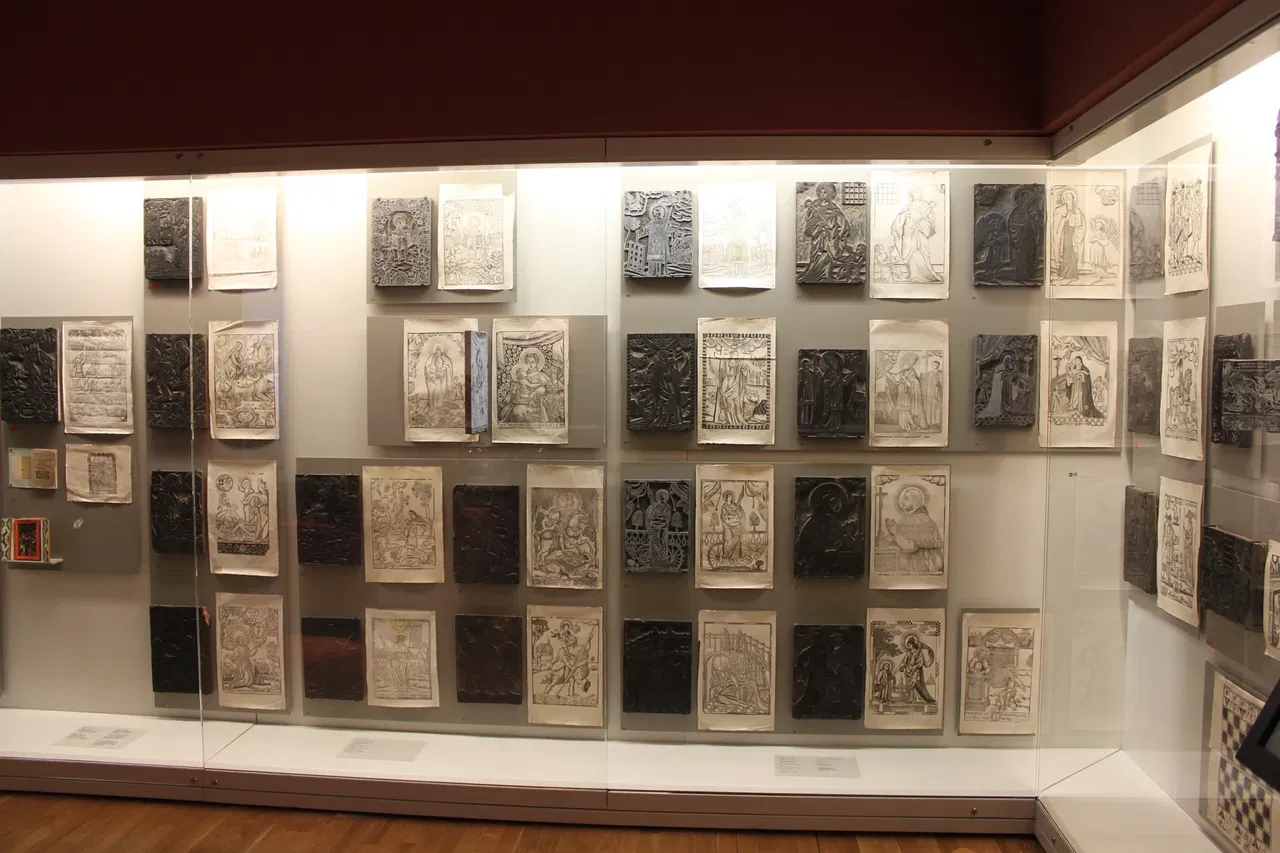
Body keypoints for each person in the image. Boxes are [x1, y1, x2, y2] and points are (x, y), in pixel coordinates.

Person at [884, 485, 944, 575]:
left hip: (922, 564)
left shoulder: (923, 520)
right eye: (902, 499)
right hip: (909, 563)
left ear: (915, 501)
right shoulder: (904, 519)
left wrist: (896, 534)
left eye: (906, 499)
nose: (902, 502)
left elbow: (910, 547)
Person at [801, 182, 853, 282]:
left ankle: (827, 274)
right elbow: (809, 221)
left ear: (832, 194)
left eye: (825, 192)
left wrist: (840, 232)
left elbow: (843, 223)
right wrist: (816, 224)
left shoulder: (833, 208)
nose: (823, 194)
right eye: (820, 192)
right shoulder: (814, 206)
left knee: (828, 255)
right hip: (818, 236)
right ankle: (813, 275)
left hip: (831, 237)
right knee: (817, 254)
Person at [890, 187, 941, 282]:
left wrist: (922, 224)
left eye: (919, 192)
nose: (918, 194)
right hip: (909, 231)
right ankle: (913, 275)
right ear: (911, 195)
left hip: (921, 231)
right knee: (911, 252)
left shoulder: (925, 205)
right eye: (916, 192)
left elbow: (931, 219)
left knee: (922, 251)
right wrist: (901, 222)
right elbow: (900, 219)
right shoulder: (907, 206)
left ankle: (926, 274)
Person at [507, 349, 551, 424]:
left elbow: (545, 384)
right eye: (528, 362)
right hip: (523, 397)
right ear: (525, 363)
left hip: (534, 398)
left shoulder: (539, 374)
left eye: (533, 362)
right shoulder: (522, 374)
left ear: (537, 363)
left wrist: (535, 391)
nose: (530, 364)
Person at [1051, 188, 1085, 280]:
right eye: (1069, 198)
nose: (1071, 200)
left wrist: (1077, 224)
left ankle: (1072, 274)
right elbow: (1057, 225)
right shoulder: (1059, 210)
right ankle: (1062, 274)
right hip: (1064, 235)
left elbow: (1082, 225)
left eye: (1072, 198)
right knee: (1065, 253)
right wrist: (1065, 219)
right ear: (1065, 200)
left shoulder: (1077, 210)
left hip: (1073, 235)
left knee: (1072, 253)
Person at [1058, 355, 1104, 420]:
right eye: (1076, 360)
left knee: (1079, 396)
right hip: (1075, 385)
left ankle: (1079, 407)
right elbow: (1071, 374)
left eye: (1078, 361)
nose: (1077, 362)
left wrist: (1081, 376)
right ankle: (1074, 406)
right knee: (1074, 396)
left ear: (1080, 361)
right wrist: (1072, 376)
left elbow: (1086, 377)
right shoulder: (1074, 367)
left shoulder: (1085, 369)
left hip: (1081, 386)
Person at [886, 352, 923, 432]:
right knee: (901, 410)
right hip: (901, 393)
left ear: (910, 366)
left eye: (906, 364)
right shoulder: (902, 372)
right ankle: (903, 426)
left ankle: (910, 425)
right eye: (904, 364)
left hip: (907, 395)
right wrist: (888, 373)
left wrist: (905, 379)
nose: (904, 366)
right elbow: (896, 378)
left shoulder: (912, 374)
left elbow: (912, 385)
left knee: (905, 410)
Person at [898, 634, 936, 704]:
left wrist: (915, 666)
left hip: (917, 671)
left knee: (916, 684)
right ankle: (911, 698)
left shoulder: (919, 652)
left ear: (913, 644)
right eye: (908, 645)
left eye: (909, 645)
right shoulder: (908, 653)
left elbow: (921, 662)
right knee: (911, 685)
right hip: (909, 671)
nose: (908, 646)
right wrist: (901, 666)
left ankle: (918, 698)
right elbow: (904, 661)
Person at [644, 489, 673, 567]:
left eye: (664, 497)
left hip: (663, 528)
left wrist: (664, 524)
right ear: (658, 498)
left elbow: (668, 519)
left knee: (663, 543)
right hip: (653, 527)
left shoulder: (667, 507)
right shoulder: (653, 506)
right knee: (653, 544)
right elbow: (649, 516)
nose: (662, 498)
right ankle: (652, 560)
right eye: (660, 497)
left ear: (666, 498)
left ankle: (663, 559)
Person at [713, 359, 746, 425]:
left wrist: (743, 367)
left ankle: (736, 420)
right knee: (727, 403)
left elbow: (745, 373)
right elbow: (722, 374)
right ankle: (730, 420)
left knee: (735, 403)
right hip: (726, 385)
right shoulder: (726, 364)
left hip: (734, 385)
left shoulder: (738, 364)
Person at [423, 344, 454, 411]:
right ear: (434, 351)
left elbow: (448, 366)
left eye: (439, 350)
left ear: (441, 351)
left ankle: (437, 405)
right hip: (432, 378)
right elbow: (427, 367)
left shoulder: (444, 358)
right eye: (436, 350)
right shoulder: (431, 359)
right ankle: (431, 407)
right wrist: (433, 374)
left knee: (439, 392)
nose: (438, 352)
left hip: (441, 378)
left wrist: (444, 368)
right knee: (431, 393)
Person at [718, 490, 744, 562]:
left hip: (736, 525)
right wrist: (732, 518)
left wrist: (735, 516)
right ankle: (726, 558)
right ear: (725, 498)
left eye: (730, 497)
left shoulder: (735, 505)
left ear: (732, 498)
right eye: (727, 497)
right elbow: (724, 517)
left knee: (737, 541)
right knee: (728, 540)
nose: (728, 498)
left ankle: (735, 558)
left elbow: (739, 515)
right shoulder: (724, 506)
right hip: (727, 526)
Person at [922, 357, 944, 429]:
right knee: (929, 408)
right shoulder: (930, 373)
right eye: (932, 365)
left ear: (938, 365)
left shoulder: (940, 373)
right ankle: (929, 422)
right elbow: (926, 382)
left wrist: (937, 384)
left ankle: (936, 423)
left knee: (936, 408)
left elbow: (942, 384)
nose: (933, 366)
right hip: (929, 393)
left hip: (936, 393)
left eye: (934, 365)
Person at [798, 357, 820, 426]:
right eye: (805, 365)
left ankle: (809, 421)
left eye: (808, 364)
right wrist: (802, 383)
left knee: (810, 406)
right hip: (804, 391)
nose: (807, 366)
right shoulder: (800, 371)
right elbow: (799, 381)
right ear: (803, 365)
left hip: (810, 391)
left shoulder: (811, 372)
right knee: (804, 407)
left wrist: (817, 375)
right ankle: (803, 421)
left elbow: (815, 379)